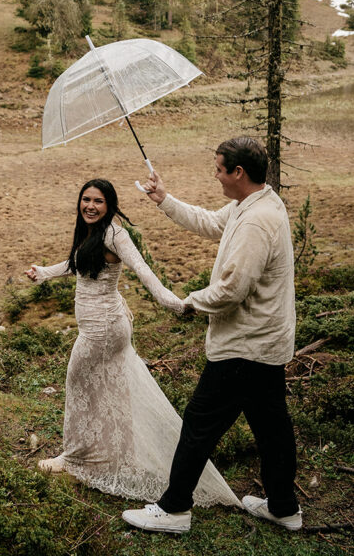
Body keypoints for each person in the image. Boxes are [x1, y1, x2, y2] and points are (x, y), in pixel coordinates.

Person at [122, 137, 301, 535]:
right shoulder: (253, 204)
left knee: (199, 424)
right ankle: (284, 507)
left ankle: (174, 509)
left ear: (238, 172)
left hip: (244, 346)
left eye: (219, 169)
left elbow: (232, 290)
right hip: (265, 342)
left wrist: (188, 304)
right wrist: (164, 199)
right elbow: (210, 222)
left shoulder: (256, 221)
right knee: (273, 427)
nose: (215, 175)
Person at [26, 177, 238, 508]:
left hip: (103, 330)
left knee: (79, 385)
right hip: (102, 327)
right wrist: (44, 272)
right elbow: (80, 264)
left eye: (98, 201)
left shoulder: (115, 234)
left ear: (109, 205)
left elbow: (144, 271)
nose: (90, 206)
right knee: (109, 390)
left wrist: (177, 303)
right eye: (86, 200)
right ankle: (110, 454)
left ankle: (74, 459)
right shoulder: (91, 233)